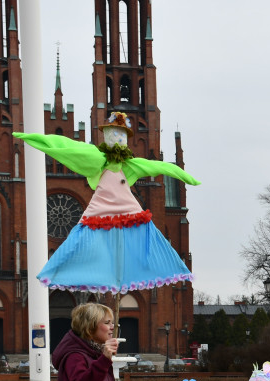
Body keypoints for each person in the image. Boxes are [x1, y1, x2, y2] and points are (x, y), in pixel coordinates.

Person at [13, 111, 197, 293]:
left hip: (126, 206)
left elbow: (159, 167)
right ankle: (56, 271)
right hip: (100, 206)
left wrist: (184, 176)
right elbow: (64, 147)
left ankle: (138, 269)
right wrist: (32, 138)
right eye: (113, 134)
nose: (117, 138)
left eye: (121, 135)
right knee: (78, 240)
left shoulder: (130, 165)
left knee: (145, 235)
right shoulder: (96, 158)